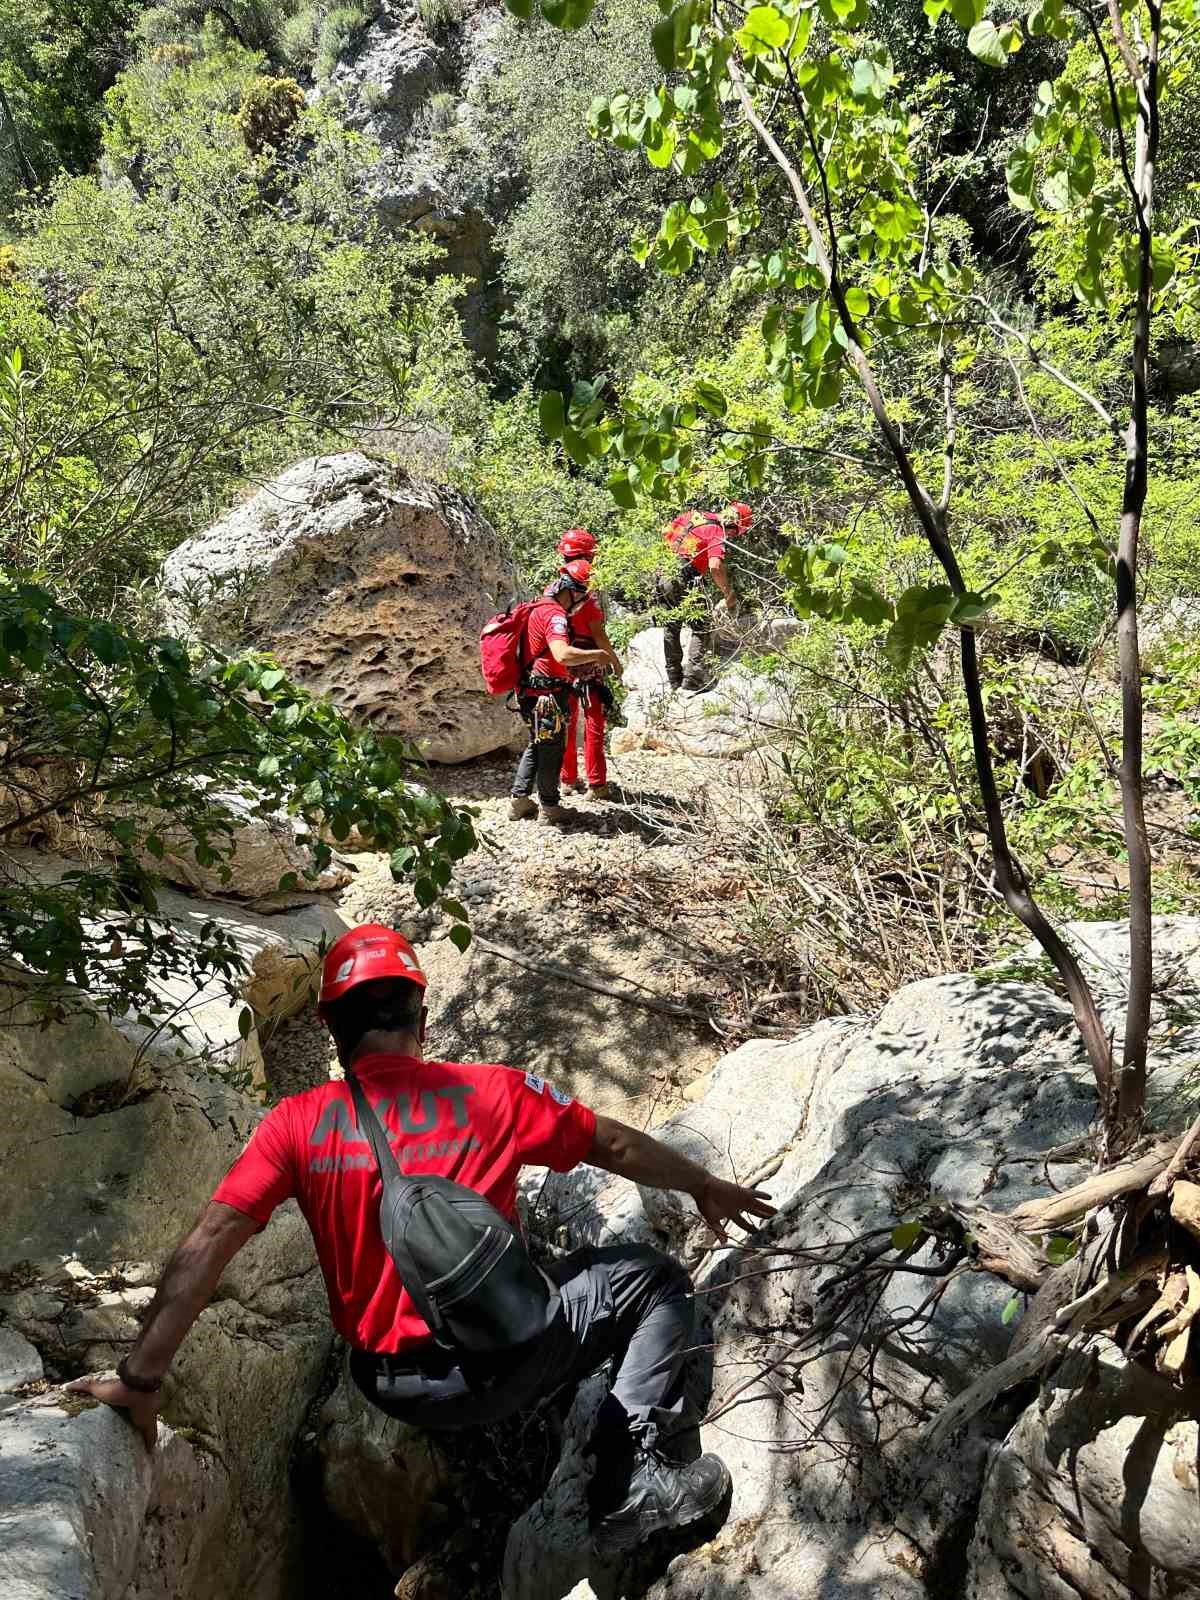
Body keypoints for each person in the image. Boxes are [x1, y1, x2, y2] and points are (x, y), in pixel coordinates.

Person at [67, 923, 776, 1553]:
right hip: (507, 1363)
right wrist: (703, 1186)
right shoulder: (493, 1092)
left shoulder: (295, 1125)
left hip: (392, 1388)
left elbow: (209, 1242)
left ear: (330, 1028)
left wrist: (139, 1380)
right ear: (423, 1022)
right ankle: (638, 1479)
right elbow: (614, 1146)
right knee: (651, 1280)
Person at [508, 561, 610, 826]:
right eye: (581, 596)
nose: (580, 603)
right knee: (551, 750)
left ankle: (519, 800)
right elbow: (562, 653)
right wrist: (599, 654)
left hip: (528, 690)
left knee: (536, 744)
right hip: (547, 694)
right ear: (571, 592)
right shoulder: (555, 615)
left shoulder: (536, 607)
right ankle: (550, 807)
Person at [552, 531, 623, 802]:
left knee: (566, 720)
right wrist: (614, 661)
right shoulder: (588, 584)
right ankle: (597, 783)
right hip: (589, 660)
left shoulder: (558, 585)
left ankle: (567, 779)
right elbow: (598, 632)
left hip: (563, 659)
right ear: (588, 553)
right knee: (594, 720)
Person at [655, 501, 753, 692]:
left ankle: (674, 677)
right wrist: (728, 593)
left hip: (663, 573)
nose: (732, 536)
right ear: (735, 525)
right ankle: (694, 677)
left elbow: (665, 533)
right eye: (735, 533)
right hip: (684, 576)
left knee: (671, 625)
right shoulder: (717, 531)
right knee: (702, 625)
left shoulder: (693, 515)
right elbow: (715, 566)